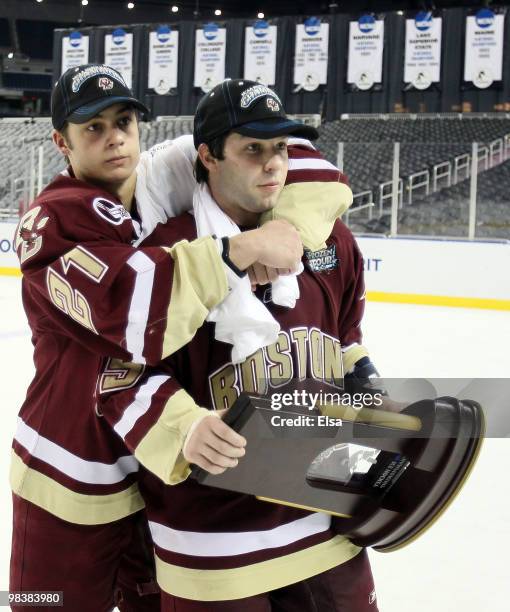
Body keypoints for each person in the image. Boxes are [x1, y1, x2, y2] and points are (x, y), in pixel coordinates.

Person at [10, 66, 302, 611]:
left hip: (154, 467)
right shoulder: (51, 220)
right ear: (60, 142)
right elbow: (129, 309)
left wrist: (287, 222)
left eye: (123, 120)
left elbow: (304, 169)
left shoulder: (164, 185)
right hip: (71, 465)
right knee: (46, 603)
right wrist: (242, 248)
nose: (114, 137)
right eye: (92, 128)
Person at [99, 79, 380, 611]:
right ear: (207, 156)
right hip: (212, 543)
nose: (273, 164)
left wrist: (362, 379)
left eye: (280, 148)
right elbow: (116, 377)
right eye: (252, 149)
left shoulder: (329, 241)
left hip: (326, 523)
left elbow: (345, 330)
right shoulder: (168, 252)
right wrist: (184, 426)